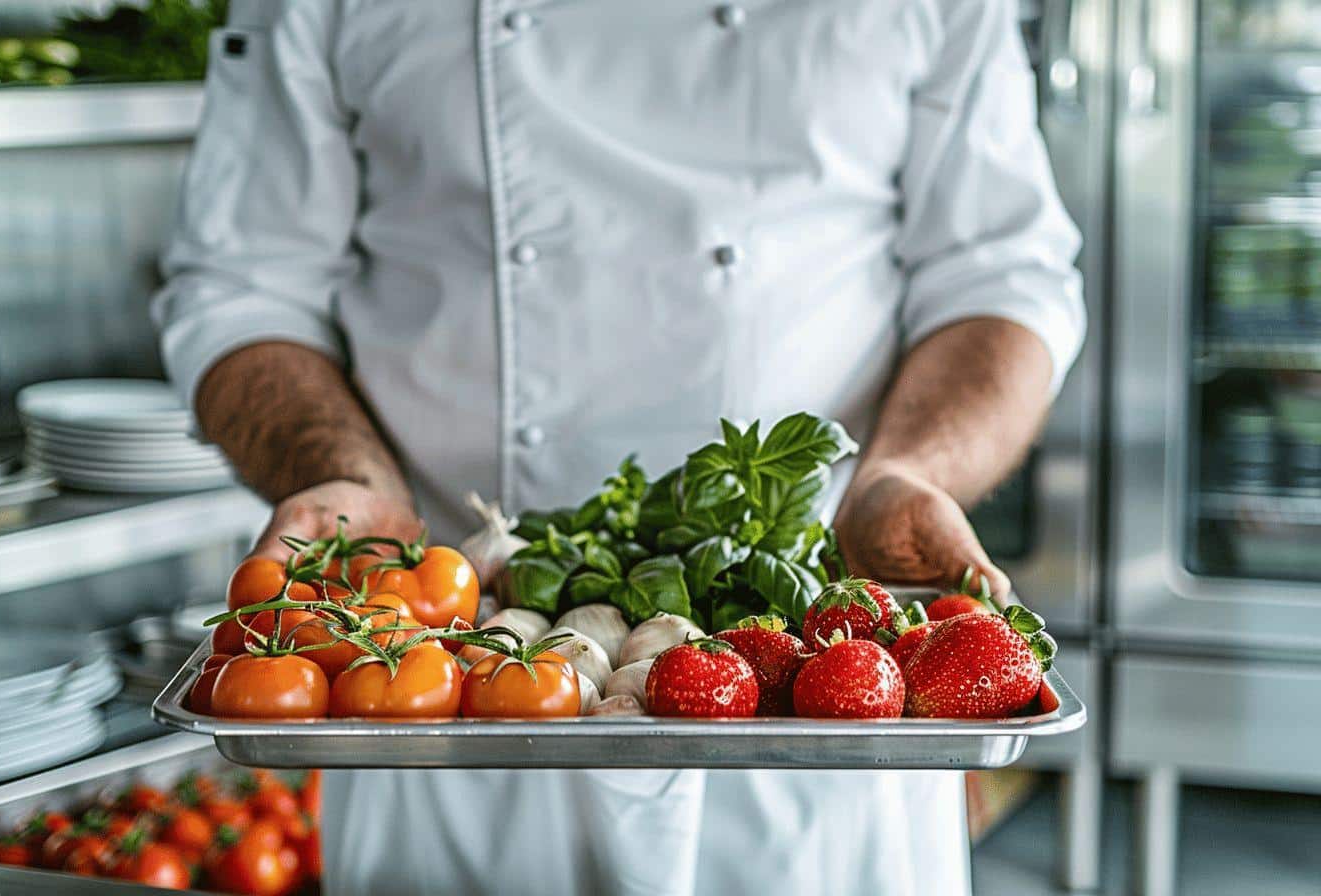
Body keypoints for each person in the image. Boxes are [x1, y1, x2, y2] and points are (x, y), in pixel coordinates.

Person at [153, 0, 1084, 892]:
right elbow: (242, 287)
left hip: (812, 701)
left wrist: (908, 471)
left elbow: (999, 277)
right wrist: (337, 477)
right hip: (439, 685)